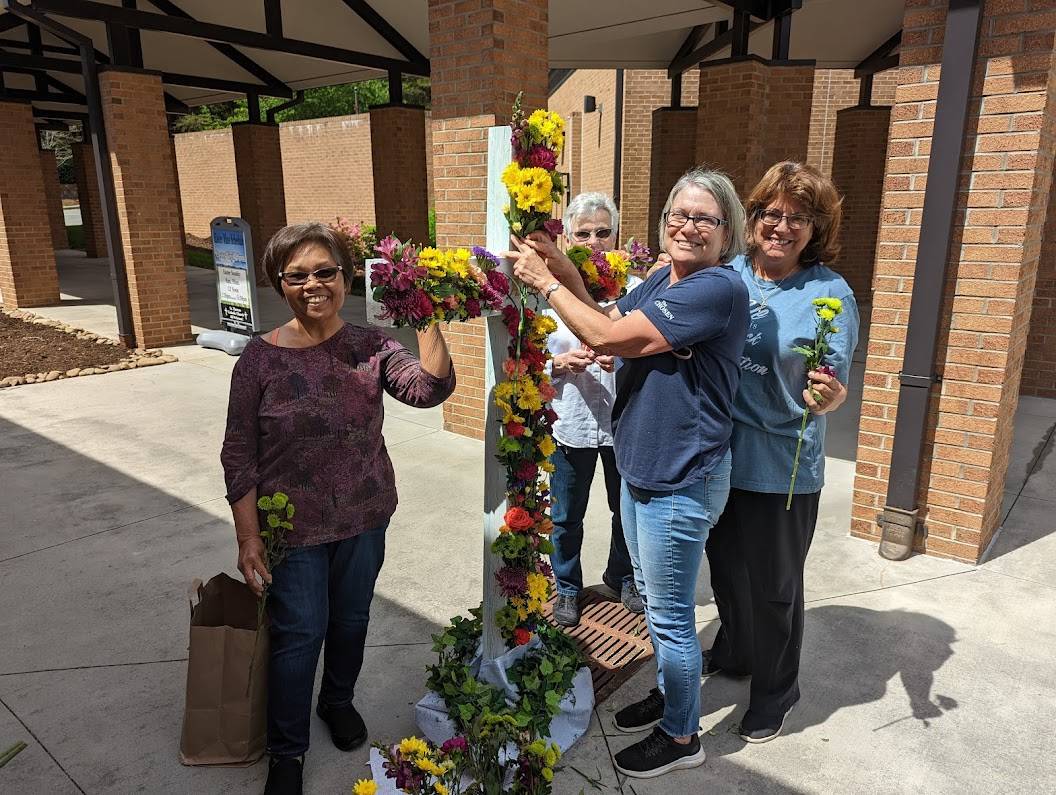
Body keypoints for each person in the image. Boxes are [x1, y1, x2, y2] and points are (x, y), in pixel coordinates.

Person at [505, 168, 749, 779]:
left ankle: (682, 734)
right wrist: (561, 266)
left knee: (667, 615)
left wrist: (541, 283)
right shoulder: (665, 279)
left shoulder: (715, 288)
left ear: (727, 233)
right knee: (658, 605)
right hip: (645, 467)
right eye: (680, 215)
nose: (688, 227)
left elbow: (610, 337)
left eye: (705, 219)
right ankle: (674, 699)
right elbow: (602, 313)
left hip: (680, 477)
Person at [221, 223, 455, 795]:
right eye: (297, 275)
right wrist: (249, 537)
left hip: (363, 515)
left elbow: (428, 390)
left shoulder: (371, 347)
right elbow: (239, 452)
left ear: (346, 277)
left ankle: (338, 702)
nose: (313, 284)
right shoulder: (258, 359)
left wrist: (424, 313)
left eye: (325, 271)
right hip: (292, 528)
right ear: (280, 285)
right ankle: (287, 751)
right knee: (300, 633)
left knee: (351, 620)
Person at [703, 161, 860, 743]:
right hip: (716, 458)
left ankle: (777, 689)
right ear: (753, 218)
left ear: (816, 228)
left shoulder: (828, 291)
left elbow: (831, 383)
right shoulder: (727, 273)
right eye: (771, 212)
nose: (782, 225)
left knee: (774, 588)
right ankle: (738, 652)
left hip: (781, 466)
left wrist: (830, 396)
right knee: (726, 571)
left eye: (799, 217)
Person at [546, 192, 644, 627]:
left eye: (603, 232)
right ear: (567, 238)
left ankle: (621, 575)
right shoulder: (551, 294)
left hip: (624, 423)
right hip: (572, 422)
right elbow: (526, 357)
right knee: (566, 516)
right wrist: (558, 364)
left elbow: (653, 350)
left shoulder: (639, 291)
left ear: (616, 235)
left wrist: (622, 357)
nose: (595, 241)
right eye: (583, 233)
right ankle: (567, 587)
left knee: (625, 510)